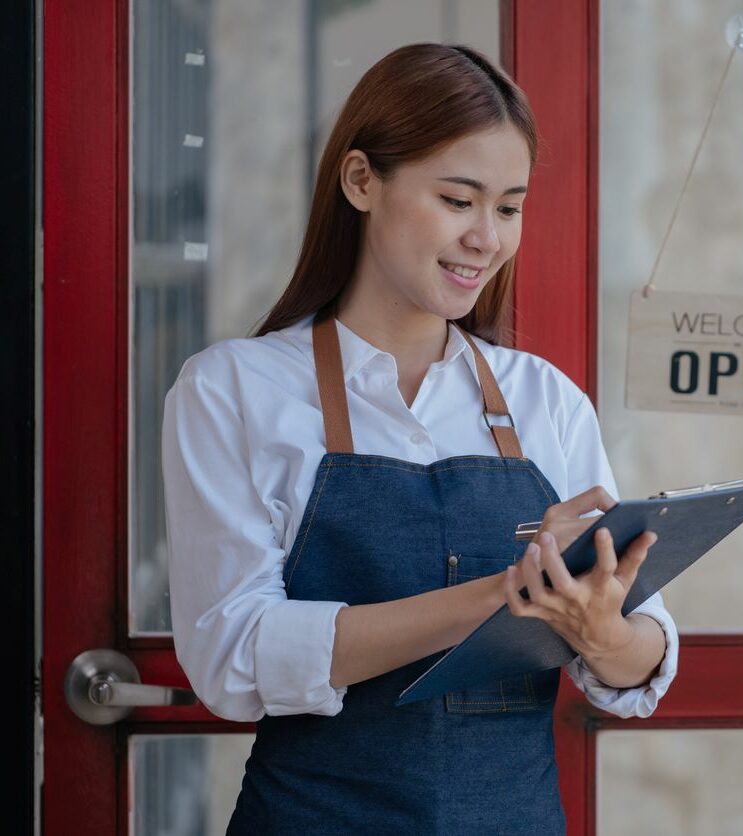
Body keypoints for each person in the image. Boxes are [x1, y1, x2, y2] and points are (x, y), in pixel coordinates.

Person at [161, 42, 679, 834]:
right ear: (361, 180)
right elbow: (233, 657)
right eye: (457, 199)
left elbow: (643, 657)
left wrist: (600, 628)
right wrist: (500, 595)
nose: (487, 238)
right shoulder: (233, 389)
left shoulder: (548, 401)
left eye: (508, 207)